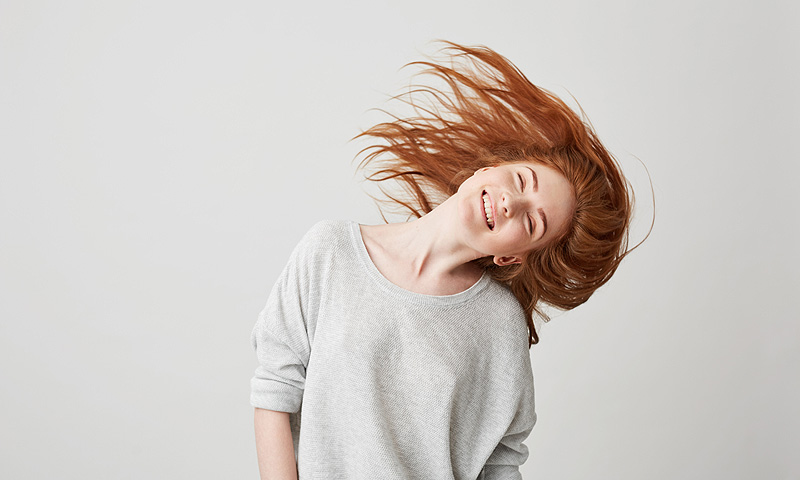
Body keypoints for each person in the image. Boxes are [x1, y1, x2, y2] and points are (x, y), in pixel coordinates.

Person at [250, 41, 644, 480]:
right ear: (489, 169)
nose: (513, 202)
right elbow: (274, 391)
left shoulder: (498, 323)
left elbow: (500, 461)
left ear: (512, 255)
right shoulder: (328, 252)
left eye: (533, 222)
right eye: (521, 180)